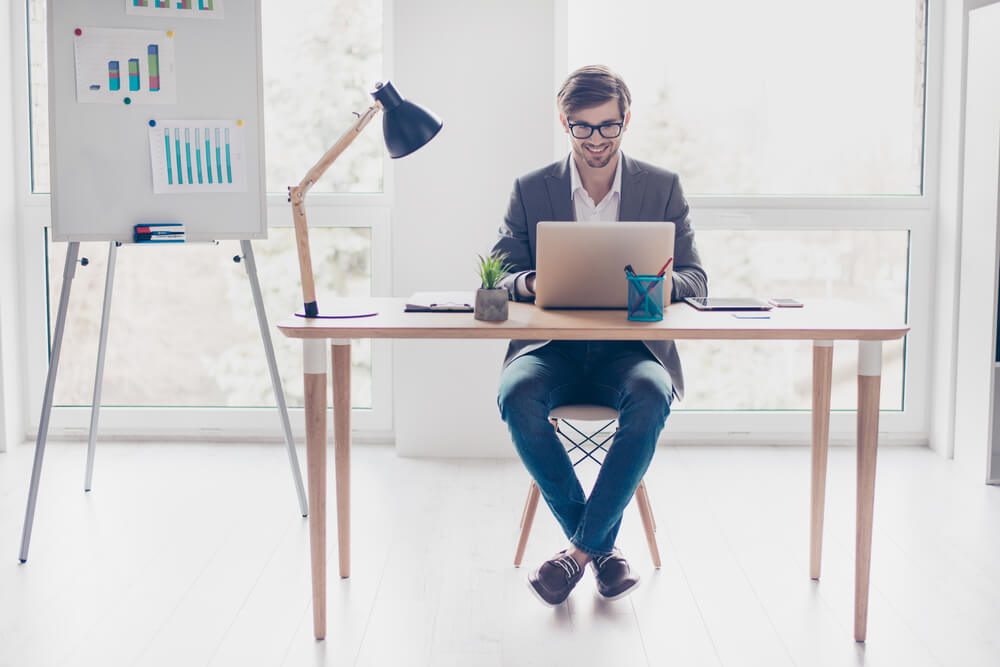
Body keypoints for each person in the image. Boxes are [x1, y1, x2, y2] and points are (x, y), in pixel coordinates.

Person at [492, 65, 708, 606]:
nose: (596, 140)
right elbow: (499, 268)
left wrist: (652, 284)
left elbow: (697, 279)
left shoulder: (661, 187)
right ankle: (603, 551)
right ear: (563, 123)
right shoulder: (530, 188)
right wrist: (533, 280)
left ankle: (575, 555)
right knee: (515, 393)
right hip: (549, 351)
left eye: (608, 127)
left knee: (652, 392)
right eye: (582, 128)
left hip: (630, 352)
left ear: (626, 120)